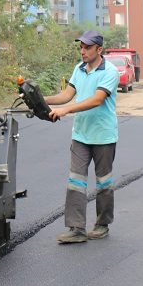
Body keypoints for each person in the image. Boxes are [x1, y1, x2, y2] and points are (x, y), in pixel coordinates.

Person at [44, 29, 120, 244]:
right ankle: (76, 228)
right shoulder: (79, 69)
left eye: (87, 47)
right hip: (81, 135)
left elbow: (97, 100)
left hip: (103, 136)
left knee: (104, 182)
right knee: (75, 181)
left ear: (99, 49)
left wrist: (67, 110)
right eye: (81, 47)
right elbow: (66, 95)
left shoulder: (110, 72)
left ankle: (102, 224)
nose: (83, 51)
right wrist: (42, 99)